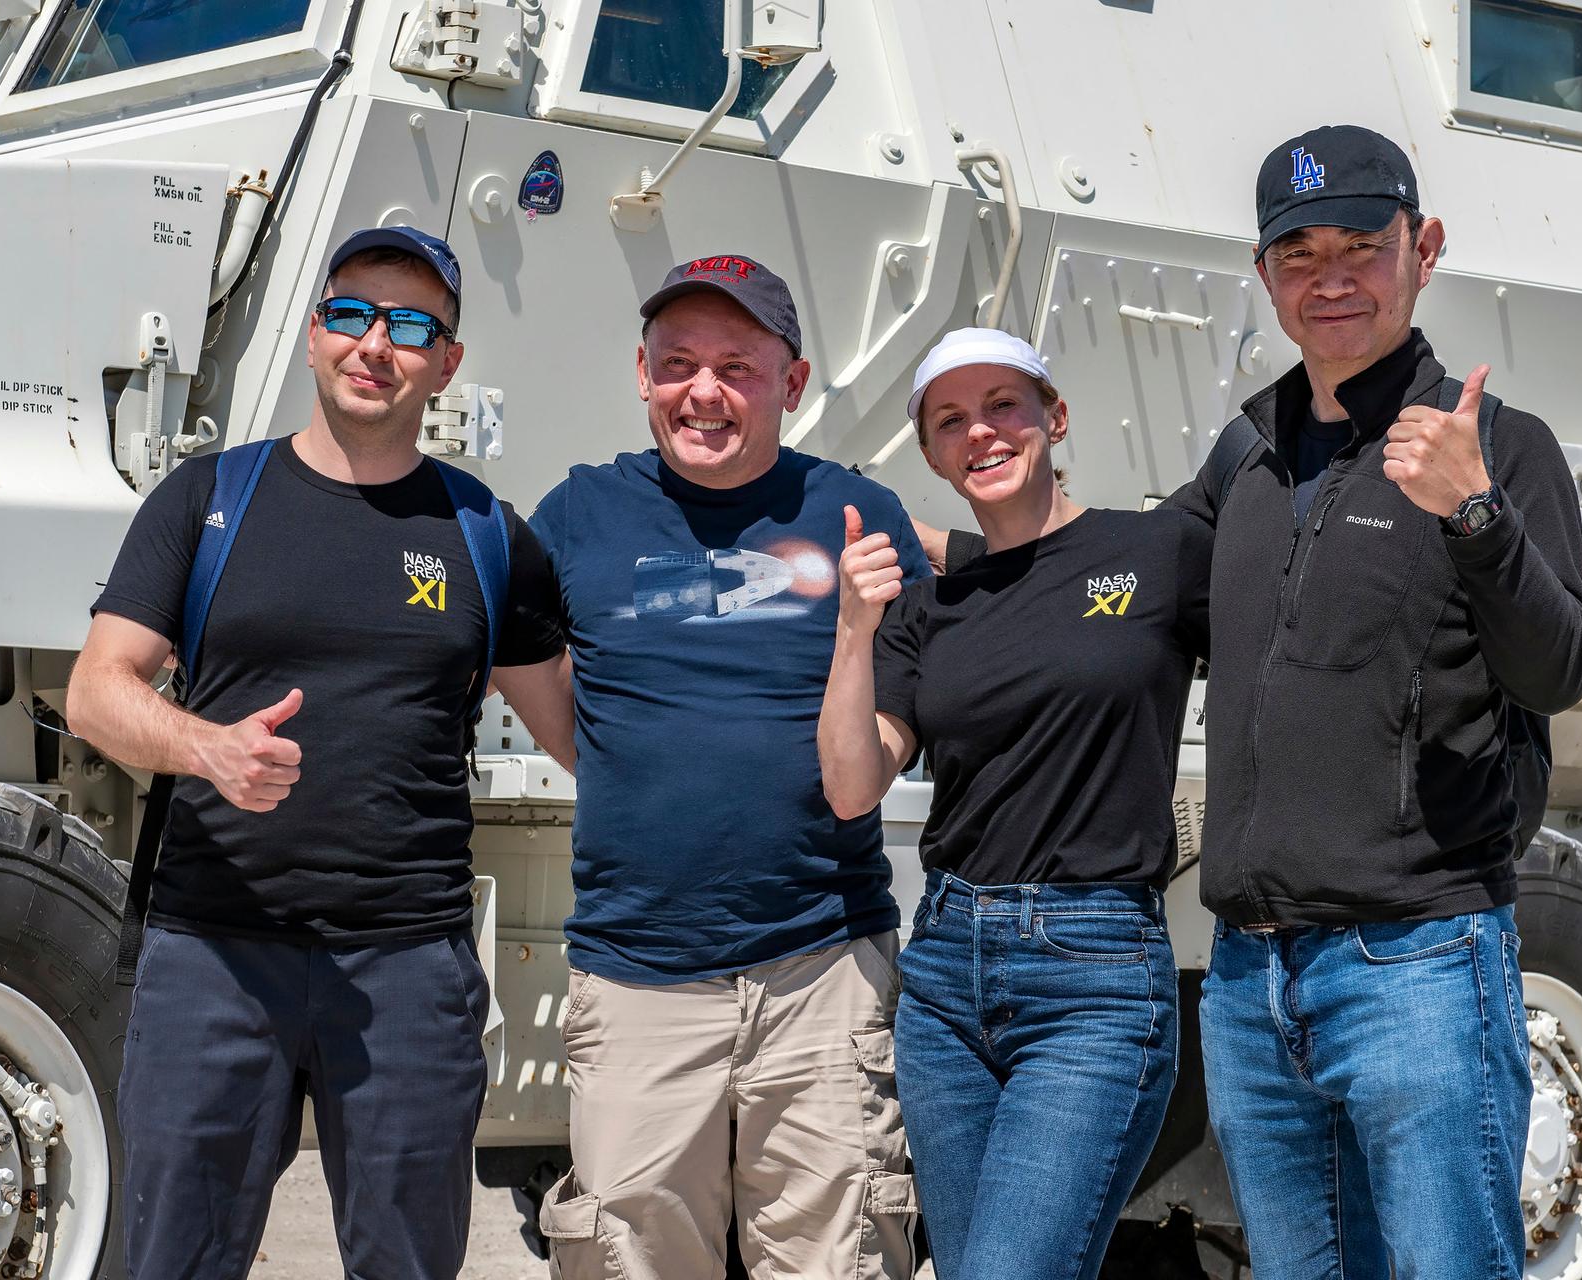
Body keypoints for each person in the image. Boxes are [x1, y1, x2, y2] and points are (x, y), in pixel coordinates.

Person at [69, 226, 573, 1280]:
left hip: (407, 973)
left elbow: (581, 732)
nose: (373, 342)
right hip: (213, 955)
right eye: (351, 313)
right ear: (312, 333)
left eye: (409, 324)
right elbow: (98, 693)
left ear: (447, 360)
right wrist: (206, 746)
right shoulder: (207, 501)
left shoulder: (486, 533)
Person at [1162, 125, 1582, 1278]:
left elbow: (1561, 667)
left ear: (1426, 249)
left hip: (1418, 967)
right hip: (1254, 982)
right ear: (1265, 276)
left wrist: (1474, 514)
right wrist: (951, 556)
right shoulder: (1242, 462)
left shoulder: (1500, 445)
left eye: (1365, 243)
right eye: (1298, 252)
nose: (1332, 277)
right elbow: (1125, 588)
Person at [528, 255, 931, 1280]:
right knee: (631, 1260)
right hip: (636, 978)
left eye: (737, 367)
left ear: (790, 383)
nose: (703, 391)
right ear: (642, 373)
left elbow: (870, 764)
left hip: (820, 970)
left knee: (840, 1262)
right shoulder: (576, 516)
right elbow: (554, 707)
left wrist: (855, 624)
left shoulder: (861, 517)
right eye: (678, 364)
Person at [817, 328, 1210, 1280]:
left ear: (1054, 416)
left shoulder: (1157, 552)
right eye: (951, 419)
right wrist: (853, 633)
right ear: (932, 454)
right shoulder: (927, 609)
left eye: (1004, 404)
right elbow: (852, 785)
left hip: (1097, 980)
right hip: (947, 977)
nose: (981, 432)